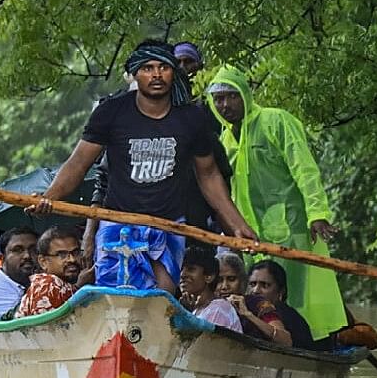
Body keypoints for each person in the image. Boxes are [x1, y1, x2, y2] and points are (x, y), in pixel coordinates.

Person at [28, 40, 256, 295]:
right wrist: (50, 198)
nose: (156, 75)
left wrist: (237, 224)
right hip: (118, 223)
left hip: (169, 224)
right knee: (116, 295)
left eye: (163, 67)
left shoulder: (192, 118)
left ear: (173, 72)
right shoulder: (112, 112)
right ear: (136, 73)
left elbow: (209, 175)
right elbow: (79, 162)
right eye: (147, 68)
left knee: (164, 296)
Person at [207, 65, 349, 342]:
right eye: (219, 99)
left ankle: (305, 342)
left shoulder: (276, 122)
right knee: (259, 294)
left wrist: (317, 212)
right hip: (252, 234)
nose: (225, 104)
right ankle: (267, 337)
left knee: (294, 292)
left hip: (292, 227)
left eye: (232, 96)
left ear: (245, 95)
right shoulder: (225, 140)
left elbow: (304, 167)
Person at [246, 260, 332, 351]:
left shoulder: (288, 317)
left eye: (265, 285)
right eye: (252, 284)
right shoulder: (243, 310)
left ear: (281, 291)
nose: (255, 290)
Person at [216, 252, 296, 345]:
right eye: (219, 280)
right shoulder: (205, 304)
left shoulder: (257, 303)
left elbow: (286, 340)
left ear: (242, 281)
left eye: (231, 279)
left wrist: (248, 314)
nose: (225, 286)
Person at [16, 226, 94, 318]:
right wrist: (79, 287)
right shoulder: (46, 284)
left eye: (75, 253)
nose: (72, 259)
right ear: (43, 262)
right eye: (62, 255)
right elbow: (49, 329)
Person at [179, 247, 243, 333]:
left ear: (209, 277)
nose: (182, 275)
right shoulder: (196, 310)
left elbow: (202, 344)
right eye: (181, 269)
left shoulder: (219, 309)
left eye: (191, 269)